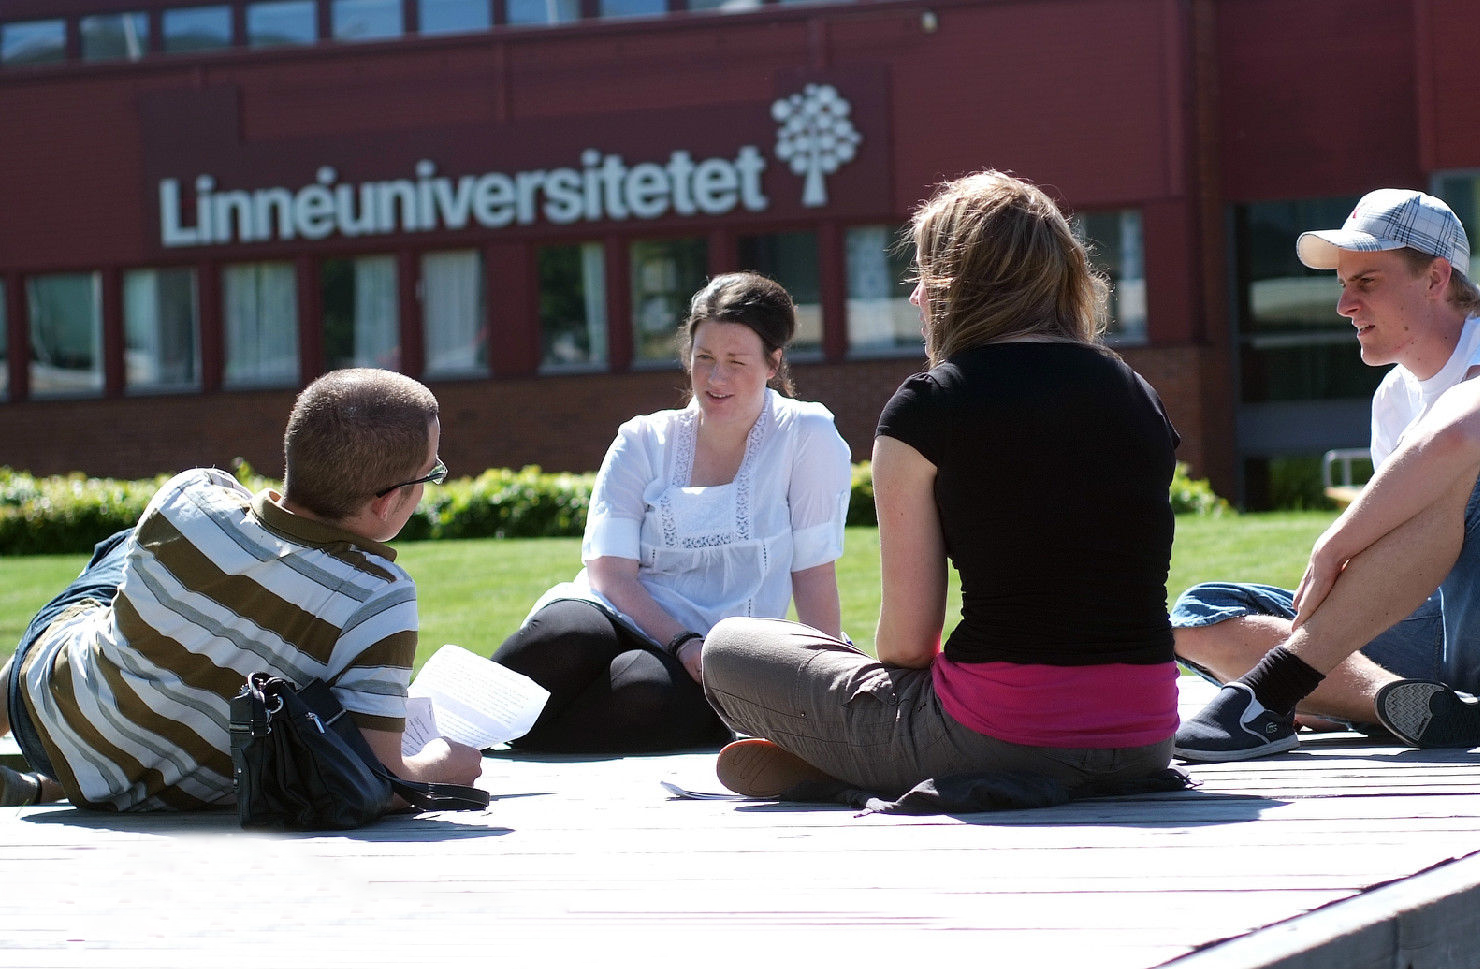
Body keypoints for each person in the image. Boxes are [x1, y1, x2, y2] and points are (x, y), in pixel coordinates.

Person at [701, 171, 1182, 799]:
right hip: (1145, 736)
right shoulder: (1139, 394)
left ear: (962, 285)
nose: (916, 296)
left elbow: (906, 646)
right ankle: (859, 764)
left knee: (729, 647)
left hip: (996, 735)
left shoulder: (928, 406)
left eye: (926, 275)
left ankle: (857, 765)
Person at [1171, 188, 1480, 762]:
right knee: (1200, 614)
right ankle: (1409, 705)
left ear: (1435, 278)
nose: (1344, 305)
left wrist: (1335, 542)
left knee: (1461, 466)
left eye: (1366, 282)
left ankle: (1276, 690)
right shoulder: (1392, 398)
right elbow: (1404, 551)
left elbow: (1457, 437)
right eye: (1343, 284)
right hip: (1448, 645)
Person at [0, 368, 483, 810]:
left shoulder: (191, 495)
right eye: (431, 474)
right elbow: (381, 779)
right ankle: (62, 783)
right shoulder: (379, 598)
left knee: (126, 554)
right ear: (388, 501)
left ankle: (43, 783)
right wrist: (444, 765)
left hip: (40, 717)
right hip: (170, 795)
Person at [491, 271, 853, 754]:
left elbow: (813, 575)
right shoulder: (643, 439)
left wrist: (822, 693)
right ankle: (443, 727)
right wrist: (680, 640)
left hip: (717, 653)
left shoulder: (807, 435)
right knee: (563, 638)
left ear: (773, 362)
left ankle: (505, 740)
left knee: (643, 691)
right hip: (622, 610)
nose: (716, 378)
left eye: (736, 362)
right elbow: (610, 573)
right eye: (704, 358)